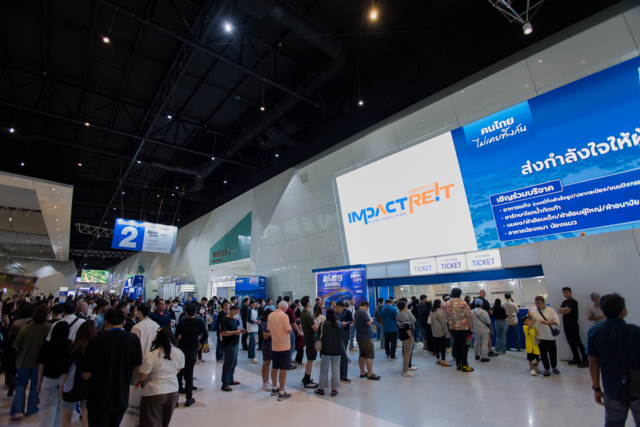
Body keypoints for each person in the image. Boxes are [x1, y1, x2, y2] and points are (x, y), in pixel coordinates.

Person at [81, 308, 143, 427]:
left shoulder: (96, 340)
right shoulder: (133, 339)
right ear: (123, 322)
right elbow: (138, 367)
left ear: (105, 322)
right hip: (121, 394)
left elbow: (86, 374)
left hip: (99, 396)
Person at [587, 293, 640, 425]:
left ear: (603, 312)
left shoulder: (594, 331)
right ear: (623, 311)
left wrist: (597, 389)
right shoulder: (635, 330)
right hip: (637, 387)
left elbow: (593, 363)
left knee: (613, 423)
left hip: (612, 388)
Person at [11, 304, 52, 420]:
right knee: (35, 386)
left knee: (20, 385)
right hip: (39, 363)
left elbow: (15, 345)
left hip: (23, 361)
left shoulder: (26, 328)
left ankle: (17, 410)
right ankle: (31, 409)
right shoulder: (49, 328)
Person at [138, 327, 184, 427]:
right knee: (165, 422)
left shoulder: (152, 355)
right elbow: (177, 370)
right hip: (173, 390)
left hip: (154, 391)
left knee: (151, 422)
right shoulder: (179, 353)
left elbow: (142, 377)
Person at [61, 321, 96, 427]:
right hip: (89, 384)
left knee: (67, 414)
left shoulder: (74, 347)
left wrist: (62, 385)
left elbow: (66, 369)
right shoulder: (95, 348)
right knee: (86, 414)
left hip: (72, 384)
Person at [37, 320, 71, 427]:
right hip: (65, 379)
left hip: (49, 378)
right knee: (61, 407)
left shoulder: (46, 346)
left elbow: (41, 365)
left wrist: (39, 381)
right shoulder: (70, 345)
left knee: (46, 407)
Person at [175, 303, 208, 404]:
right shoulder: (199, 321)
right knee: (189, 374)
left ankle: (176, 398)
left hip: (182, 348)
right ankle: (189, 397)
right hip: (193, 349)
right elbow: (206, 334)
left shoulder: (182, 321)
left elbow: (176, 335)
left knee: (179, 373)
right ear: (196, 312)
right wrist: (201, 343)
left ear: (185, 312)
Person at [529, 296, 560, 377]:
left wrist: (547, 322)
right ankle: (546, 369)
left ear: (543, 302)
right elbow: (529, 322)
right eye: (536, 303)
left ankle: (554, 367)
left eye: (539, 303)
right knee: (543, 354)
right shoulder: (533, 310)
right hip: (539, 337)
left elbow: (557, 321)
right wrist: (529, 317)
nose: (537, 305)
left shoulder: (550, 310)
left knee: (552, 353)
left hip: (550, 336)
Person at [558, 287, 589, 368]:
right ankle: (576, 358)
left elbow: (566, 310)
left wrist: (564, 310)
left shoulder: (573, 302)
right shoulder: (564, 302)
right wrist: (564, 310)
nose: (566, 294)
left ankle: (585, 359)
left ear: (571, 292)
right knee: (570, 342)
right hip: (566, 325)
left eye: (567, 292)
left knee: (578, 342)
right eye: (564, 293)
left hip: (573, 325)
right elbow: (560, 310)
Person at [445, 288, 474, 372]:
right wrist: (471, 327)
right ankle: (465, 364)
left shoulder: (447, 303)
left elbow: (446, 315)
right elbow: (468, 316)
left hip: (453, 327)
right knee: (464, 346)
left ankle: (458, 364)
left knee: (456, 345)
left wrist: (450, 323)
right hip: (463, 327)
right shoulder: (463, 303)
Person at [269, 301, 293, 401]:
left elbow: (269, 329)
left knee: (274, 367)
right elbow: (288, 330)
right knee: (283, 369)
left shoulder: (270, 315)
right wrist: (291, 328)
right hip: (284, 346)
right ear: (285, 308)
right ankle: (282, 392)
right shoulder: (284, 316)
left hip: (274, 345)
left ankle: (274, 388)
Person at [315, 308, 342, 396]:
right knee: (335, 370)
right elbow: (342, 336)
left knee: (324, 369)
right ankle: (334, 389)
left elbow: (318, 335)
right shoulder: (339, 324)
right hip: (337, 350)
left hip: (325, 350)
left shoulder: (323, 324)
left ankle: (321, 389)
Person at [219, 305, 243, 392]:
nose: (237, 315)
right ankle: (225, 383)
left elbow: (235, 328)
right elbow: (223, 333)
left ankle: (230, 379)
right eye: (236, 313)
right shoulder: (225, 320)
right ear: (232, 311)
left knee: (234, 362)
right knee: (228, 363)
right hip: (229, 344)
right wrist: (234, 332)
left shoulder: (234, 319)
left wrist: (239, 330)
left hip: (235, 343)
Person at [355, 301, 380, 380]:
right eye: (367, 307)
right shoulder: (363, 312)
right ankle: (370, 373)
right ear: (365, 306)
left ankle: (362, 372)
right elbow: (368, 322)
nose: (367, 309)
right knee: (369, 355)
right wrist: (371, 321)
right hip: (366, 337)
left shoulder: (357, 312)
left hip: (359, 336)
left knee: (362, 355)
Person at [300, 296, 319, 388]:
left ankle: (305, 377)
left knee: (310, 359)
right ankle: (307, 381)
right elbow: (315, 328)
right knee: (310, 360)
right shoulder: (307, 315)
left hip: (309, 338)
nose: (311, 302)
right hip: (311, 339)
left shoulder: (305, 313)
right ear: (307, 303)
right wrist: (316, 324)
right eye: (310, 301)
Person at [429, 299, 451, 366]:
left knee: (436, 344)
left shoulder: (432, 311)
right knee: (442, 345)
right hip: (440, 331)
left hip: (434, 331)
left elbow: (430, 322)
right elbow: (443, 323)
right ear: (439, 304)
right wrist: (446, 332)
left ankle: (437, 359)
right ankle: (443, 360)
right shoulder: (440, 312)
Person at [396, 301, 415, 377]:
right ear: (404, 307)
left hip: (402, 335)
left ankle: (406, 369)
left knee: (406, 353)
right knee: (407, 354)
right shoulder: (404, 315)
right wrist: (411, 336)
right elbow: (407, 327)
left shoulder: (398, 314)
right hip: (406, 336)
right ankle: (405, 371)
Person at [335, 302, 351, 383]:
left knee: (339, 358)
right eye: (341, 309)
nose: (342, 311)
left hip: (339, 338)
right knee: (343, 357)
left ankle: (339, 376)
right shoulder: (334, 315)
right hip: (337, 339)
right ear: (338, 307)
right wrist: (341, 324)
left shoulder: (338, 314)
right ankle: (342, 376)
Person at [472, 299, 492, 363]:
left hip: (476, 329)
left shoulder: (472, 311)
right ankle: (483, 357)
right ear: (482, 304)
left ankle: (476, 355)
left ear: (475, 304)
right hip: (484, 329)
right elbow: (488, 321)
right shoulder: (484, 312)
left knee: (476, 342)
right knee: (484, 343)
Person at [260, 309, 274, 391]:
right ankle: (264, 383)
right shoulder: (265, 324)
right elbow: (265, 335)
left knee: (268, 363)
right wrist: (273, 332)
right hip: (266, 346)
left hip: (271, 345)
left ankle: (267, 380)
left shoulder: (270, 323)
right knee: (265, 364)